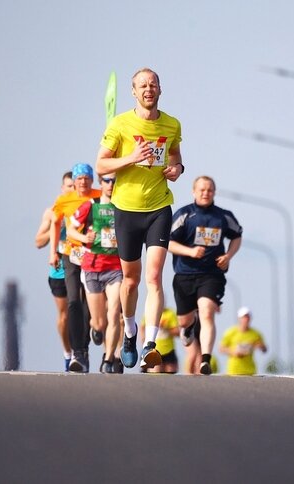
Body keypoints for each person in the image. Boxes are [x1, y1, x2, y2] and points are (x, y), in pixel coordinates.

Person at [95, 67, 185, 371]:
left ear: (160, 89)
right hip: (126, 210)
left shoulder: (171, 124)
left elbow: (175, 156)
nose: (149, 89)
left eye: (153, 84)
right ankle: (130, 332)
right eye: (143, 85)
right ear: (134, 92)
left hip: (159, 207)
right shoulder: (120, 124)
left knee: (154, 277)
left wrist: (177, 169)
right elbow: (101, 165)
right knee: (131, 281)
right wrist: (132, 158)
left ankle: (150, 344)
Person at [169, 176, 242, 375]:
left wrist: (228, 256)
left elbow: (237, 236)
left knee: (207, 312)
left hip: (212, 274)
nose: (205, 193)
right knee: (184, 321)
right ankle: (188, 327)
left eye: (209, 190)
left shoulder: (223, 216)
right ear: (194, 191)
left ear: (214, 192)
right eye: (202, 189)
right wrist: (190, 251)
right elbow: (168, 242)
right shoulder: (184, 215)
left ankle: (205, 359)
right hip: (185, 274)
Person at [67, 174, 124, 373]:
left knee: (114, 313)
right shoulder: (90, 206)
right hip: (93, 268)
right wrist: (84, 238)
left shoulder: (123, 207)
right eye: (107, 181)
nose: (111, 184)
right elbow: (71, 230)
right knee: (99, 322)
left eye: (115, 181)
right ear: (101, 183)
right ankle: (96, 329)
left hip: (115, 268)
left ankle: (108, 359)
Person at [50, 163, 101, 373]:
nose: (83, 182)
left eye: (86, 178)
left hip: (93, 255)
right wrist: (52, 252)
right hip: (70, 254)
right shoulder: (64, 200)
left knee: (88, 303)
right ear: (75, 181)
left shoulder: (99, 196)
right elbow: (55, 223)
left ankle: (84, 348)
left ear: (92, 180)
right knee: (73, 301)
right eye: (79, 178)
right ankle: (76, 351)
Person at [35, 171, 74, 371]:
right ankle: (68, 353)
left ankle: (80, 351)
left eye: (75, 186)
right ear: (62, 188)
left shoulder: (86, 207)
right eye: (69, 186)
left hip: (80, 267)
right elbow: (38, 242)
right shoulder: (51, 212)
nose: (72, 189)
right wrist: (55, 227)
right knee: (65, 316)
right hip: (59, 271)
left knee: (85, 313)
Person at [219, 307, 267, 376]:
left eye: (248, 317)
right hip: (233, 370)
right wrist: (234, 352)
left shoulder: (256, 334)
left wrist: (261, 346)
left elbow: (264, 350)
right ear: (239, 318)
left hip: (250, 371)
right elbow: (221, 348)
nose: (246, 319)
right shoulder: (230, 332)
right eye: (244, 317)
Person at [139, 306, 180, 374]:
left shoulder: (170, 313)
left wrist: (165, 328)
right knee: (155, 372)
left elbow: (178, 332)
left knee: (171, 372)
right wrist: (143, 340)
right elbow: (142, 327)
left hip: (168, 350)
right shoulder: (149, 312)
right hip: (153, 350)